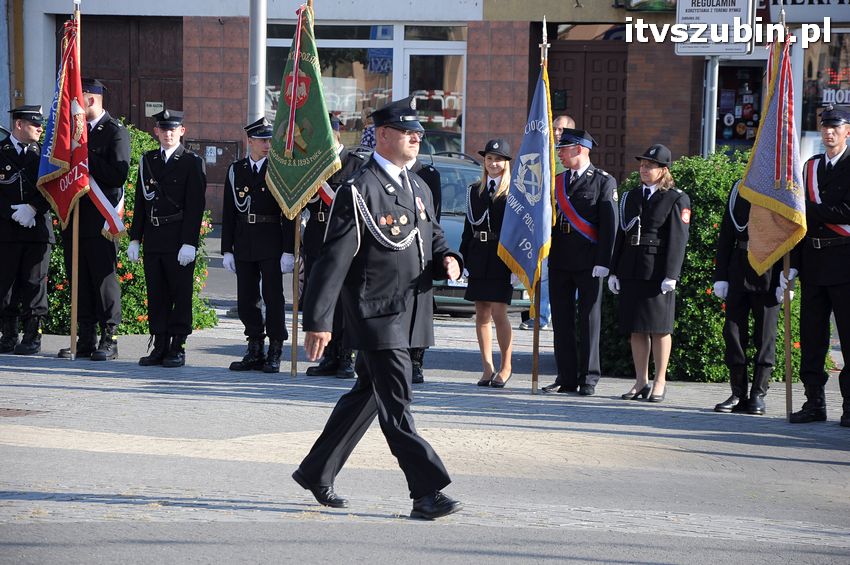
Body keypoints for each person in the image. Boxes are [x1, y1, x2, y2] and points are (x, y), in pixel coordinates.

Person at [293, 96, 464, 520]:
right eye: (408, 133)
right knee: (397, 401)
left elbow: (433, 232)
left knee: (367, 396)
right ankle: (426, 492)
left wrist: (447, 256)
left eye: (419, 133)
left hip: (411, 310)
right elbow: (332, 261)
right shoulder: (361, 188)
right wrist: (318, 321)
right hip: (376, 312)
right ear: (383, 135)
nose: (416, 139)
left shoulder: (418, 183)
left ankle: (317, 471)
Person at [608, 144, 690, 403]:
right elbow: (621, 234)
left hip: (657, 271)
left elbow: (678, 238)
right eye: (642, 165)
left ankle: (660, 381)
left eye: (649, 166)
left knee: (659, 328)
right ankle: (641, 381)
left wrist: (672, 274)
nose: (644, 169)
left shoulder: (676, 198)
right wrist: (614, 270)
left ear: (663, 170)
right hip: (632, 267)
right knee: (636, 329)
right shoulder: (631, 196)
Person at [785, 105, 850, 427]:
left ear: (847, 131)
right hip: (813, 261)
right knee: (812, 338)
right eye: (825, 127)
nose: (829, 132)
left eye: (836, 127)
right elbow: (799, 224)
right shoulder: (810, 167)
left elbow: (846, 212)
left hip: (844, 262)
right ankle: (814, 402)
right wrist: (794, 265)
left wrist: (809, 209)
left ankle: (849, 405)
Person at [57, 78, 130, 361]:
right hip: (75, 215)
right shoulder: (74, 133)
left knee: (103, 280)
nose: (74, 106)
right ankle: (85, 337)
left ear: (90, 99)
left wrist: (85, 155)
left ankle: (109, 338)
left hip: (100, 219)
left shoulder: (115, 132)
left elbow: (117, 175)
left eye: (78, 99)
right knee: (80, 279)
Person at [127, 109, 206, 368]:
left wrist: (189, 243)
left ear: (182, 131)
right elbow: (141, 203)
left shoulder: (191, 162)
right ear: (156, 132)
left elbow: (195, 206)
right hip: (154, 237)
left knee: (180, 293)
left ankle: (177, 346)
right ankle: (159, 344)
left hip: (178, 238)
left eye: (173, 129)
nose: (168, 133)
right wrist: (135, 238)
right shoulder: (148, 160)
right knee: (157, 293)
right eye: (164, 129)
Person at [542, 128, 617, 396]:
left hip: (589, 261)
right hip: (560, 259)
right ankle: (566, 377)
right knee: (561, 321)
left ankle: (589, 378)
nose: (560, 153)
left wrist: (604, 261)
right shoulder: (558, 181)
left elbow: (610, 226)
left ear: (581, 150)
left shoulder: (603, 182)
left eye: (564, 148)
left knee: (589, 320)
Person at [221, 117, 295, 374]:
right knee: (247, 298)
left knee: (273, 297)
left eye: (270, 140)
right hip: (244, 239)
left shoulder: (279, 169)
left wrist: (289, 250)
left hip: (271, 238)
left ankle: (275, 348)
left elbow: (289, 212)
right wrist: (226, 249)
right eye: (262, 140)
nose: (267, 145)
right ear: (249, 141)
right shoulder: (236, 169)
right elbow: (229, 211)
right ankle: (254, 347)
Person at [303, 114, 367, 379]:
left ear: (337, 133)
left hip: (342, 236)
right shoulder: (312, 164)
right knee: (318, 294)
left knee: (343, 299)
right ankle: (328, 355)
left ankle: (346, 355)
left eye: (327, 134)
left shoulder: (356, 164)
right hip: (317, 233)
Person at [712, 180, 782, 415]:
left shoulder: (781, 188)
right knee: (732, 334)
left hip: (769, 270)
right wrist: (720, 274)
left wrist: (786, 276)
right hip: (739, 267)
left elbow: (790, 232)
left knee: (765, 337)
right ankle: (738, 392)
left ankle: (758, 394)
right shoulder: (738, 188)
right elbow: (726, 233)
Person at [460, 138, 514, 388]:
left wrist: (517, 265)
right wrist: (464, 259)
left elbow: (518, 230)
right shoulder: (474, 190)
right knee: (480, 311)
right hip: (479, 254)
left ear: (506, 163)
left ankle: (506, 366)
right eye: (490, 158)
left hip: (502, 256)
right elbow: (468, 227)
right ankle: (487, 368)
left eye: (498, 159)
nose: (493, 163)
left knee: (499, 311)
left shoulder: (514, 192)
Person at [0, 105, 53, 355]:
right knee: (5, 285)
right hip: (7, 230)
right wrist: (13, 213)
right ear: (19, 125)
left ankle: (33, 336)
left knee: (35, 284)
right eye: (35, 125)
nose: (40, 129)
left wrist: (33, 208)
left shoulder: (47, 155)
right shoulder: (1, 152)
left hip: (37, 229)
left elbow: (54, 188)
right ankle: (8, 335)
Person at [519, 115, 572, 332]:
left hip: (568, 227)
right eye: (554, 129)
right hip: (545, 224)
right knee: (544, 273)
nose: (557, 133)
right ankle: (540, 316)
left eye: (561, 130)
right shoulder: (544, 152)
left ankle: (568, 317)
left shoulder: (573, 157)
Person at [408, 158, 441, 384]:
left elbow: (433, 216)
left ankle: (416, 362)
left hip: (420, 248)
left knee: (420, 312)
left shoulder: (428, 174)